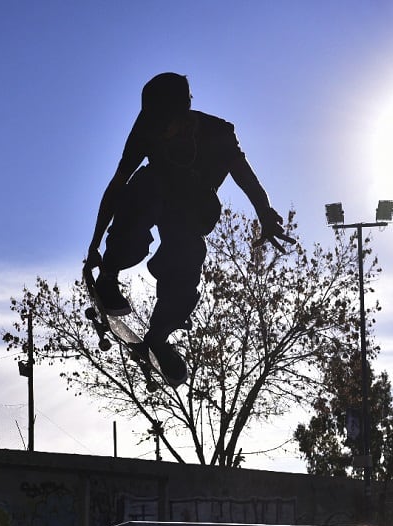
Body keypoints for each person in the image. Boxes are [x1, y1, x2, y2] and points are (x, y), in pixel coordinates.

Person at [85, 72, 292, 386]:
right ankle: (111, 277)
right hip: (155, 195)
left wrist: (264, 212)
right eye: (153, 125)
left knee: (185, 261)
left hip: (193, 209)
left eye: (164, 125)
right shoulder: (146, 129)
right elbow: (118, 185)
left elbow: (246, 178)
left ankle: (159, 336)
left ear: (184, 113)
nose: (160, 133)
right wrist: (96, 246)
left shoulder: (219, 133)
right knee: (145, 182)